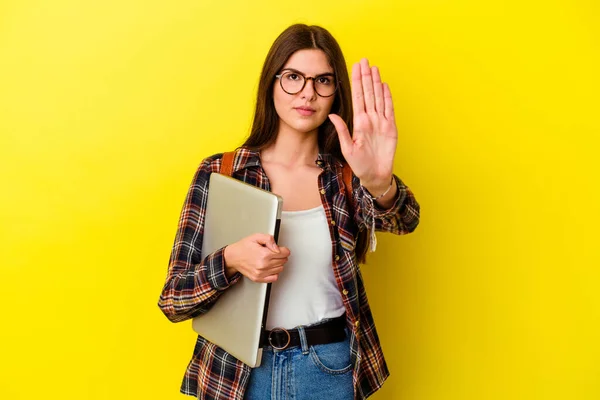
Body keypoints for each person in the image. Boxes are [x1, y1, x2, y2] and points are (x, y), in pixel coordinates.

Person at [158, 23, 420, 400]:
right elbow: (173, 299)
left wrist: (379, 182)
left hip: (329, 368)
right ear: (272, 82)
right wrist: (231, 260)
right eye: (294, 77)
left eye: (323, 81)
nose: (308, 94)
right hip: (238, 373)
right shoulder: (223, 173)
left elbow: (405, 220)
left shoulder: (345, 175)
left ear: (335, 93)